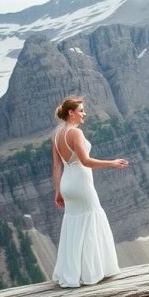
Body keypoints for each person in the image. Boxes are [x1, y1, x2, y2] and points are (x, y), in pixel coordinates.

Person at [50, 96, 130, 287]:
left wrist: (58, 192)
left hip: (67, 185)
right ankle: (93, 271)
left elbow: (56, 167)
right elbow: (85, 161)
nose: (84, 114)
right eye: (81, 110)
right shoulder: (75, 134)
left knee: (74, 225)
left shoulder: (56, 135)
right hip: (81, 184)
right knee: (91, 221)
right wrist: (112, 162)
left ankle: (71, 273)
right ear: (71, 113)